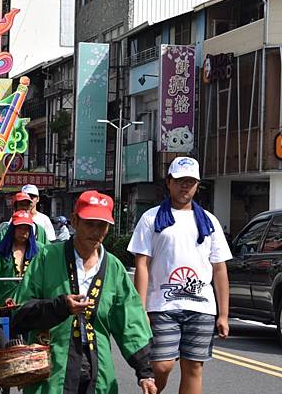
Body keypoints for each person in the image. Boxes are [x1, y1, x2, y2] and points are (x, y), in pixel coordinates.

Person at [13, 190, 157, 394]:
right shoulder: (47, 257)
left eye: (102, 225)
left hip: (97, 369)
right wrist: (60, 307)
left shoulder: (114, 268)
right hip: (53, 368)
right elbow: (21, 312)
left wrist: (145, 373)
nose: (96, 231)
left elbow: (130, 321)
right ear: (74, 221)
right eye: (90, 223)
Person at [127, 156, 231, 394]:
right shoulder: (151, 218)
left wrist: (224, 314)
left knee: (194, 367)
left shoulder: (209, 221)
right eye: (180, 180)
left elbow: (219, 268)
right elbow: (142, 264)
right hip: (162, 305)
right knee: (161, 366)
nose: (185, 186)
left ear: (197, 185)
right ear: (169, 182)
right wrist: (140, 309)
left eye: (190, 181)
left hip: (201, 307)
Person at [0, 210, 44, 311]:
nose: (23, 232)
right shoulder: (1, 250)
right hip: (5, 304)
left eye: (26, 229)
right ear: (13, 229)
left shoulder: (40, 250)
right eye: (20, 228)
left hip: (31, 304)